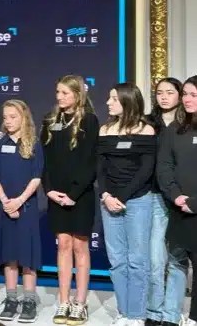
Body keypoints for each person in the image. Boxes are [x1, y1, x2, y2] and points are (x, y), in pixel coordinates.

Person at [41, 75, 99, 325]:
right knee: (63, 244)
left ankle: (80, 303)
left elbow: (90, 162)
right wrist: (50, 189)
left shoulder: (90, 120)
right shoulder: (50, 121)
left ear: (78, 94)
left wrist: (73, 194)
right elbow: (45, 161)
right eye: (57, 92)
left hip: (80, 195)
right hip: (56, 194)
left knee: (79, 247)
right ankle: (63, 301)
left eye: (65, 93)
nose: (59, 97)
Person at [97, 83, 155, 326]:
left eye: (113, 99)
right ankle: (123, 312)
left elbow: (146, 170)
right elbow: (100, 168)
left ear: (127, 101)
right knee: (118, 261)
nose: (108, 103)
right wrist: (107, 196)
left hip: (139, 200)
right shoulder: (104, 130)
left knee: (137, 261)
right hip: (109, 201)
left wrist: (123, 197)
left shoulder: (147, 131)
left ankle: (137, 315)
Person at [0, 100, 43, 323]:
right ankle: (11, 299)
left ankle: (29, 301)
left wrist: (19, 201)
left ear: (23, 117)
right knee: (9, 256)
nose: (8, 121)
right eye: (5, 117)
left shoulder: (34, 145)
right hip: (4, 207)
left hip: (26, 207)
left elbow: (36, 177)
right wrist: (5, 201)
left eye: (13, 117)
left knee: (27, 257)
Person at [157, 75, 197, 326]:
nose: (187, 99)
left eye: (194, 95)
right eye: (186, 94)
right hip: (180, 208)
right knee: (179, 262)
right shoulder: (176, 128)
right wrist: (176, 195)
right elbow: (165, 165)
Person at [146, 77, 184, 326]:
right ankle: (154, 311)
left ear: (180, 95)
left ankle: (171, 314)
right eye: (160, 92)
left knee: (177, 257)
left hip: (183, 198)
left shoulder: (188, 124)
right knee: (155, 257)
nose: (164, 97)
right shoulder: (148, 124)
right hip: (156, 195)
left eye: (170, 92)